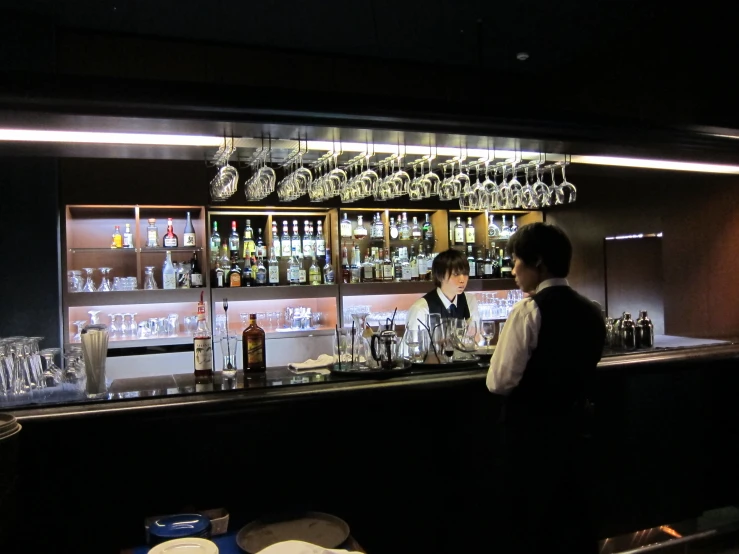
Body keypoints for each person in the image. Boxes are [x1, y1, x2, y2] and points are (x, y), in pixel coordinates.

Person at [486, 222, 606, 554]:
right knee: (571, 522)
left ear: (537, 262)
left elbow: (499, 381)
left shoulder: (529, 310)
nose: (512, 270)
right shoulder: (592, 311)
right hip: (576, 434)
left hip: (530, 440)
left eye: (515, 261)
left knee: (532, 525)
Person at [405, 248, 479, 333]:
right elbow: (411, 344)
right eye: (456, 274)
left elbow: (477, 338)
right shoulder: (421, 309)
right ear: (440, 276)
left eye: (465, 274)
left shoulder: (469, 300)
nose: (462, 280)